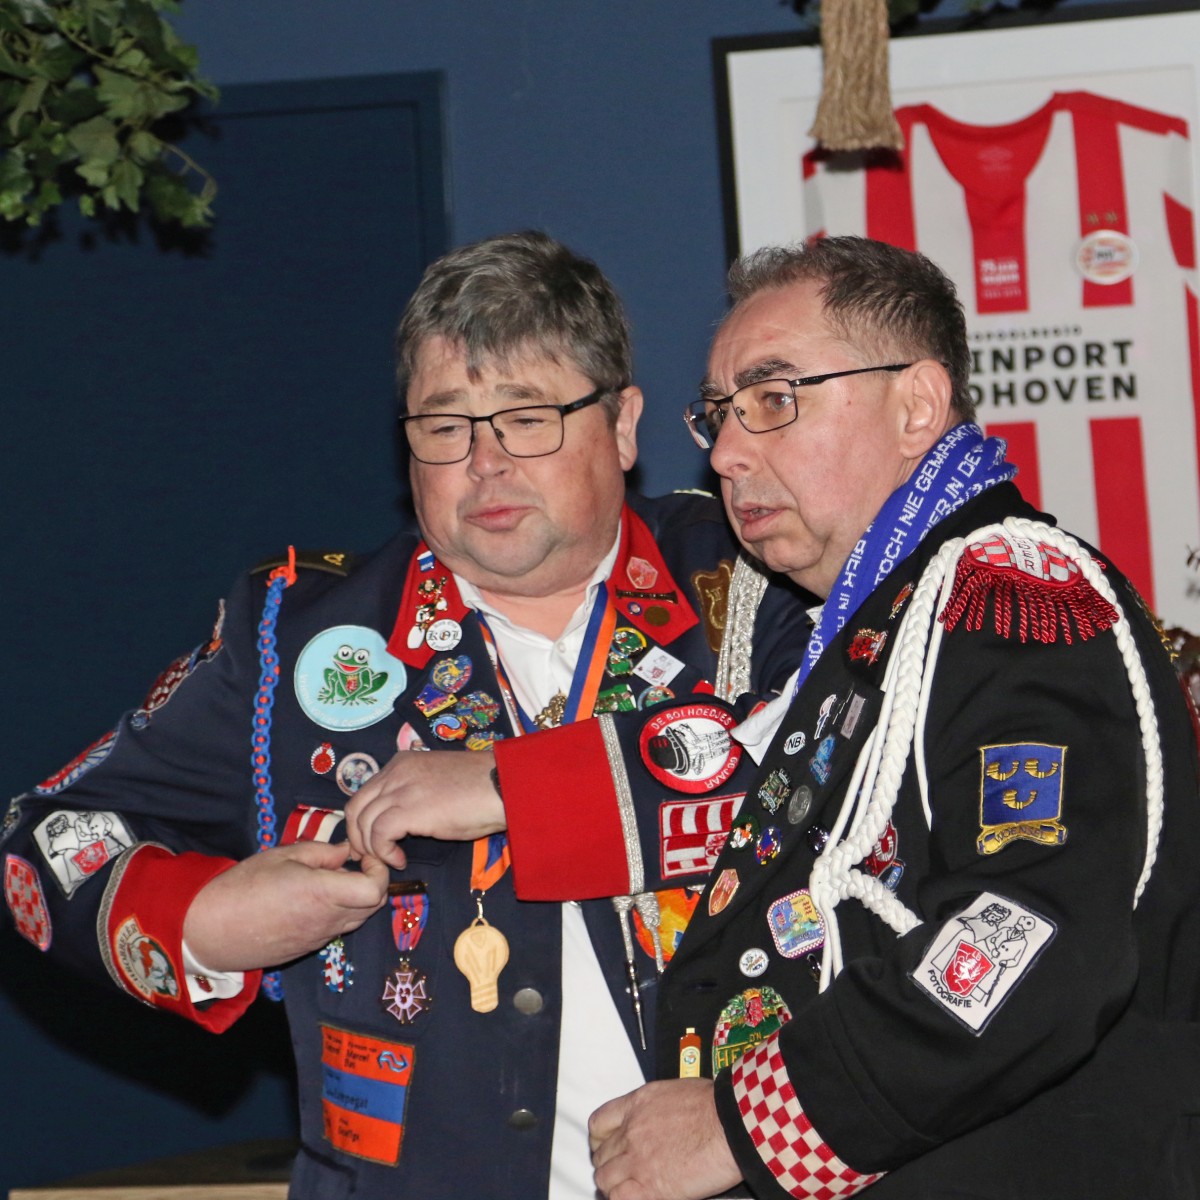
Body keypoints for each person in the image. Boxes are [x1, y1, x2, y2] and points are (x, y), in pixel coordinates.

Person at [359, 236, 1199, 1198]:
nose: (725, 452)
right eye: (720, 413)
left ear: (917, 407)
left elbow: (1026, 939)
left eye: (773, 399)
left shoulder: (1011, 596)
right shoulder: (879, 624)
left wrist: (743, 1125)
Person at [0, 231, 808, 1198]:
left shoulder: (752, 577)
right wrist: (207, 924)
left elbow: (819, 769)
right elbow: (40, 844)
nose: (485, 463)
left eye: (528, 419)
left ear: (623, 425)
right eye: (444, 425)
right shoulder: (301, 638)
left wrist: (512, 787)